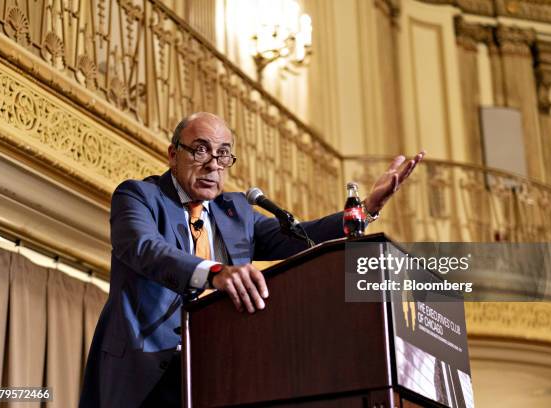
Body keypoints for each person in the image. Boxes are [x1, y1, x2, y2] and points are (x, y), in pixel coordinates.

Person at [80, 112, 424, 407]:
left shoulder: (236, 212)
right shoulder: (139, 196)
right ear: (173, 154)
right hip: (144, 372)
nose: (213, 164)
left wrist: (365, 210)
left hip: (218, 369)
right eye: (200, 150)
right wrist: (214, 273)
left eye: (224, 154)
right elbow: (145, 249)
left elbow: (299, 238)